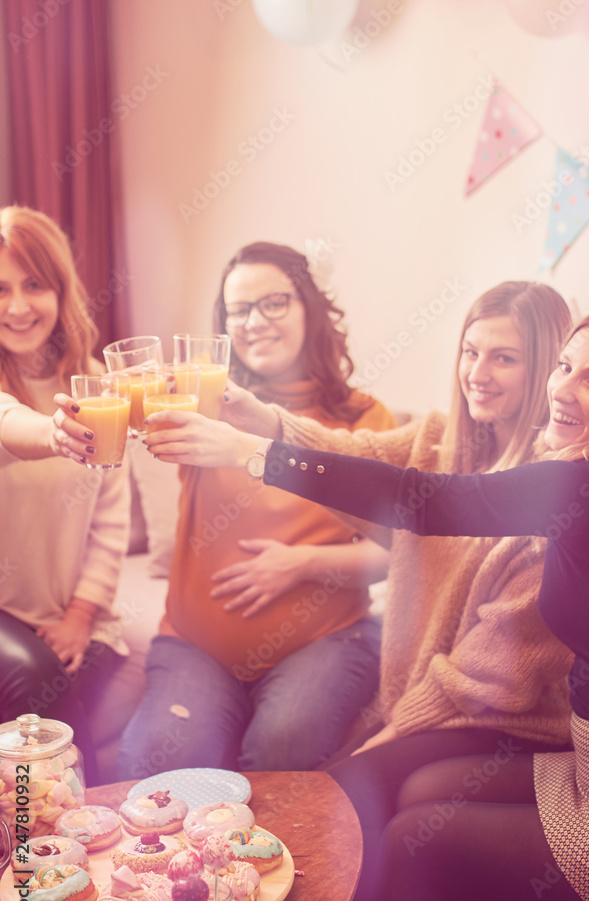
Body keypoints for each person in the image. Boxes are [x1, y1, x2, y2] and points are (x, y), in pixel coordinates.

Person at [143, 303, 589, 901]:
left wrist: (248, 454)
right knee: (420, 793)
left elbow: (424, 502)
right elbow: (393, 472)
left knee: (415, 843)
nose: (565, 390)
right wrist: (260, 423)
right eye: (566, 367)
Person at [114, 241, 395, 777]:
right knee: (157, 764)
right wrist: (70, 424)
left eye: (274, 303)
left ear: (309, 307)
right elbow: (119, 399)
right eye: (238, 310)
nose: (254, 322)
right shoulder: (201, 399)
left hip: (325, 639)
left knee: (283, 744)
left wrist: (300, 563)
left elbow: (396, 552)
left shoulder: (365, 419)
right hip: (195, 645)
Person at [0, 205, 130, 785]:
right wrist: (54, 433)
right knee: (33, 676)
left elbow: (111, 522)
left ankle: (51, 843)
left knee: (51, 684)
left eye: (33, 284)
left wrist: (80, 616)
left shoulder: (99, 385)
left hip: (73, 618)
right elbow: (10, 423)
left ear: (59, 290)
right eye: (0, 289)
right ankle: (80, 833)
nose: (18, 306)